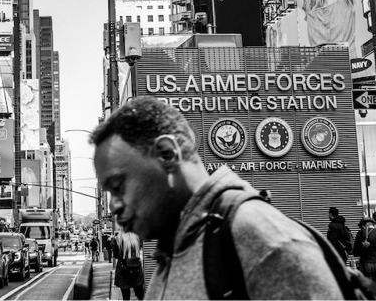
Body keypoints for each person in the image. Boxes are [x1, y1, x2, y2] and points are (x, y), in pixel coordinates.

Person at [91, 97, 341, 299]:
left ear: (167, 155)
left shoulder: (263, 242)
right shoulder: (178, 244)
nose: (113, 206)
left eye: (119, 186)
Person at [113, 231, 146, 300]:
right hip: (136, 269)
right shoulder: (137, 237)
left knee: (126, 296)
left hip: (123, 270)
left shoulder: (118, 239)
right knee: (140, 295)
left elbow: (115, 255)